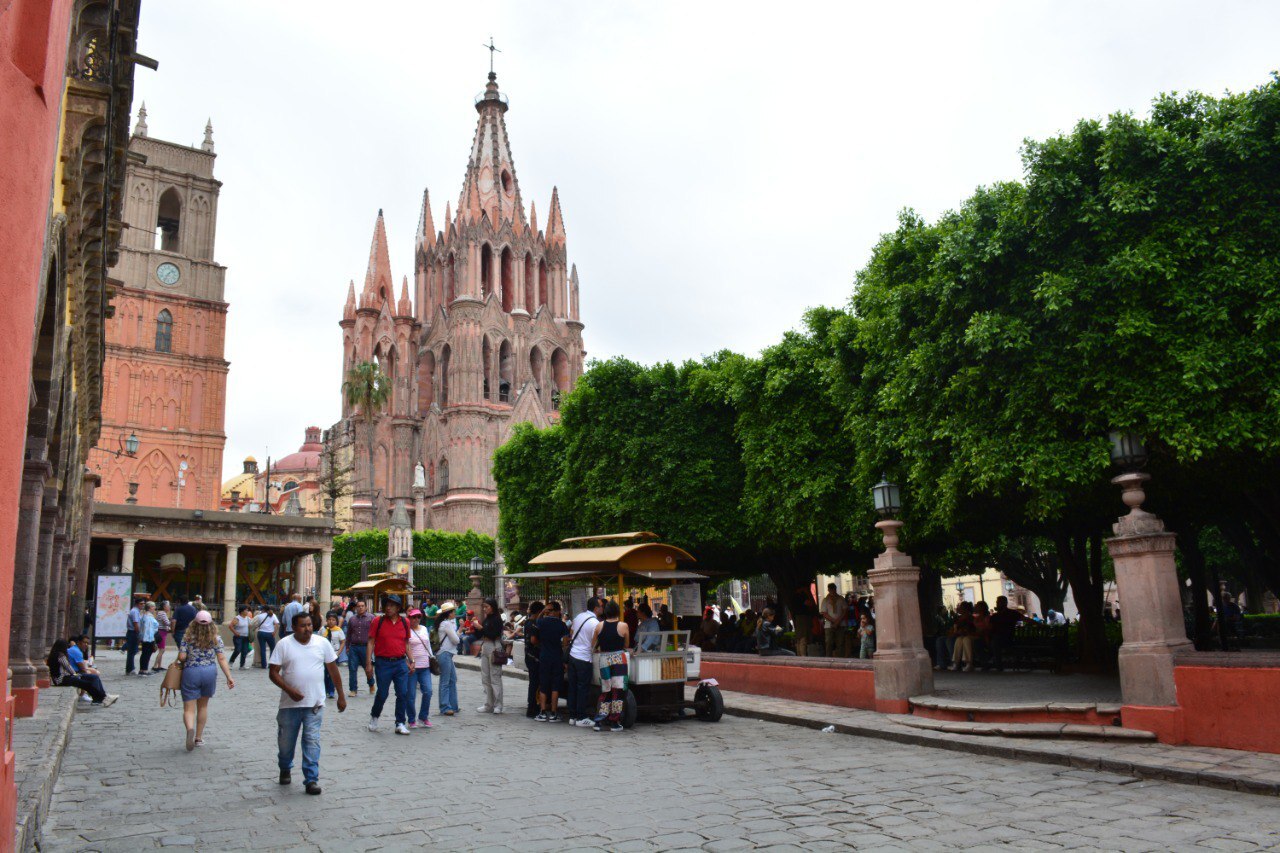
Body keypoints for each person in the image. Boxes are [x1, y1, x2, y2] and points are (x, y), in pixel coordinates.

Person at [269, 612, 345, 795]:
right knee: (286, 743)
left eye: (310, 625)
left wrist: (341, 695)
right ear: (294, 627)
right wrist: (290, 690)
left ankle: (311, 779)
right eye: (303, 625)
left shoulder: (322, 643)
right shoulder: (284, 645)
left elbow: (333, 671)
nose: (307, 629)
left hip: (315, 703)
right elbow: (273, 673)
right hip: (289, 705)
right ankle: (285, 767)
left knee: (312, 740)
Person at [177, 610, 236, 751]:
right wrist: (229, 676)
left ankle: (190, 729)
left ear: (194, 623)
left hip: (191, 671)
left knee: (189, 708)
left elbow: (182, 657)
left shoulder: (187, 638)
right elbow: (221, 658)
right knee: (203, 706)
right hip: (209, 672)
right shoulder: (216, 638)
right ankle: (198, 737)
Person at [365, 595, 413, 735]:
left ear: (398, 608)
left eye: (392, 605)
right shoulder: (377, 621)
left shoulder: (405, 622)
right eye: (387, 604)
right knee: (382, 693)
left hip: (400, 662)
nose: (388, 607)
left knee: (403, 693)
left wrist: (412, 660)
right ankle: (375, 716)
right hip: (383, 663)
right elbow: (371, 642)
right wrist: (368, 663)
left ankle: (400, 722)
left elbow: (406, 643)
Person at [591, 600, 631, 732]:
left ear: (606, 612)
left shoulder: (599, 626)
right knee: (618, 691)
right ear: (618, 612)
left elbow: (593, 645)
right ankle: (614, 722)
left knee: (606, 690)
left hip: (604, 659)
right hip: (619, 659)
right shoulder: (623, 626)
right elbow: (626, 645)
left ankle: (599, 721)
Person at [566, 597, 602, 726]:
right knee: (583, 688)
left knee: (573, 686)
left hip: (573, 655)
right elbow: (595, 643)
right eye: (601, 606)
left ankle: (572, 716)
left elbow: (571, 633)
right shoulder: (595, 623)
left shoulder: (579, 616)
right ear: (596, 608)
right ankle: (581, 717)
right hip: (584, 658)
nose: (602, 608)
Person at [47, 640, 117, 706]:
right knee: (86, 684)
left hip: (66, 677)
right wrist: (76, 675)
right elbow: (68, 667)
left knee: (94, 677)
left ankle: (101, 697)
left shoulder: (55, 655)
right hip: (61, 679)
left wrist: (76, 675)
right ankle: (103, 698)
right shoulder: (60, 656)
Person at [535, 600, 568, 722]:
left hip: (544, 656)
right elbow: (565, 643)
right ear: (558, 612)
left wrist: (542, 612)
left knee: (544, 685)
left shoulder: (541, 622)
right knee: (555, 687)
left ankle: (543, 712)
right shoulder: (562, 625)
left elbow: (536, 622)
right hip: (557, 657)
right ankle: (554, 712)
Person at [477, 598, 507, 715]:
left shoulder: (497, 619)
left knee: (495, 676)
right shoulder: (487, 619)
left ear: (492, 607)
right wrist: (477, 628)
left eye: (487, 607)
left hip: (494, 646)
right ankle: (488, 704)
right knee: (485, 677)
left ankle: (498, 704)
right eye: (484, 607)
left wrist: (482, 629)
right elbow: (481, 634)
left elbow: (493, 634)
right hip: (485, 646)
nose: (485, 609)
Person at [404, 609, 434, 729]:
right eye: (413, 617)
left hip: (425, 665)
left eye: (418, 617)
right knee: (410, 695)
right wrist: (407, 662)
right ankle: (411, 719)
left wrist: (431, 657)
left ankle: (423, 717)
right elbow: (404, 647)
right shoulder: (406, 631)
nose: (416, 619)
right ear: (409, 618)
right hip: (412, 667)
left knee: (428, 691)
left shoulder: (424, 629)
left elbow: (428, 645)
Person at [344, 599, 375, 695]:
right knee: (352, 668)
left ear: (366, 607)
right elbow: (349, 633)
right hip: (354, 647)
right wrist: (347, 646)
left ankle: (371, 684)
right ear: (356, 608)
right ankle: (353, 689)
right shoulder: (352, 619)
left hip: (366, 647)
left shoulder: (371, 618)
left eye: (362, 606)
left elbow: (375, 634)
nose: (360, 607)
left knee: (368, 668)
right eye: (358, 606)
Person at [434, 601, 460, 716]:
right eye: (453, 611)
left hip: (445, 653)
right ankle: (445, 706)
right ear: (449, 613)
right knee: (445, 681)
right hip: (445, 653)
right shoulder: (447, 624)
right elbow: (456, 640)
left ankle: (453, 705)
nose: (455, 613)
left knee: (452, 679)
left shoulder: (442, 623)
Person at [986, 596, 1022, 672]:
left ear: (1004, 603)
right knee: (983, 642)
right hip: (999, 637)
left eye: (998, 602)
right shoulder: (995, 616)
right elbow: (989, 628)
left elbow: (1025, 619)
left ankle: (998, 665)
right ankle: (987, 662)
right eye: (997, 602)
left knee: (995, 642)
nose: (997, 603)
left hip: (1007, 638)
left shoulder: (1011, 613)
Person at [521, 601, 545, 717]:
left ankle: (532, 706)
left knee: (533, 683)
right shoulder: (534, 623)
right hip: (534, 656)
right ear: (540, 612)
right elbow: (533, 640)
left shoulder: (527, 622)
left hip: (529, 655)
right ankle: (532, 707)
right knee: (535, 683)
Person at [321, 613, 347, 699]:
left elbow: (343, 641)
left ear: (336, 621)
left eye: (333, 620)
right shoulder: (323, 629)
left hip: (334, 654)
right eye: (329, 619)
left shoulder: (339, 630)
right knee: (324, 673)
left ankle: (331, 690)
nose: (331, 621)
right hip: (324, 654)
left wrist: (339, 652)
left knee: (332, 672)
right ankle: (325, 690)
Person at [820, 583, 848, 657]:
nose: (832, 590)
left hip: (841, 623)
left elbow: (844, 611)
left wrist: (838, 621)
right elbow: (824, 613)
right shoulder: (825, 600)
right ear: (828, 590)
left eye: (833, 588)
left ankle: (840, 659)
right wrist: (834, 621)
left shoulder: (841, 598)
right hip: (829, 625)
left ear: (835, 589)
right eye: (830, 589)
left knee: (840, 643)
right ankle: (829, 658)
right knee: (828, 643)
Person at [950, 601, 977, 671]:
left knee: (966, 639)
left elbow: (973, 629)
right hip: (963, 635)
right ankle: (956, 662)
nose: (959, 608)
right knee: (959, 639)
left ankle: (969, 663)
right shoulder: (958, 618)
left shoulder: (971, 618)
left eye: (961, 607)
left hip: (973, 636)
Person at [138, 602, 160, 675]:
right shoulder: (148, 617)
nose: (154, 608)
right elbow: (148, 629)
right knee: (147, 654)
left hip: (146, 638)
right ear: (150, 607)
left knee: (144, 653)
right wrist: (150, 639)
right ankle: (144, 669)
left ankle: (142, 669)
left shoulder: (145, 615)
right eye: (153, 607)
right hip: (148, 638)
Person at [124, 597, 143, 675]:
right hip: (133, 632)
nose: (142, 605)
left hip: (132, 632)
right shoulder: (135, 611)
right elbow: (136, 624)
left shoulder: (136, 611)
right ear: (137, 604)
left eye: (143, 604)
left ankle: (130, 667)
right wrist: (138, 633)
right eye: (141, 604)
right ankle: (130, 668)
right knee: (132, 651)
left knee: (133, 651)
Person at [152, 601, 172, 672]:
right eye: (168, 605)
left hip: (162, 632)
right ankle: (155, 666)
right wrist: (173, 621)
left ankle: (159, 666)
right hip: (161, 632)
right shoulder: (163, 613)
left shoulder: (161, 613)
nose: (169, 607)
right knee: (162, 650)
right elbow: (167, 623)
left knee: (161, 649)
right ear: (164, 607)